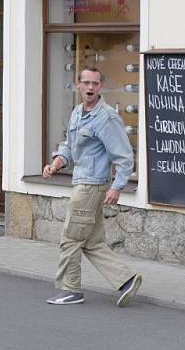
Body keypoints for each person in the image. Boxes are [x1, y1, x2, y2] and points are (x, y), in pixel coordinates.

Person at [43, 66, 143, 306]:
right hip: (83, 182)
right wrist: (55, 165)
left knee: (70, 239)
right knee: (91, 241)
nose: (90, 88)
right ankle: (127, 280)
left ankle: (71, 289)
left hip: (90, 187)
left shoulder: (106, 117)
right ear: (78, 85)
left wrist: (117, 186)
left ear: (100, 87)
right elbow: (69, 146)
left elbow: (125, 156)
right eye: (86, 83)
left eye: (95, 84)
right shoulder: (78, 112)